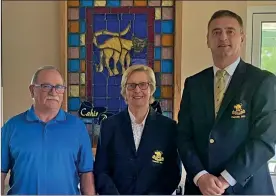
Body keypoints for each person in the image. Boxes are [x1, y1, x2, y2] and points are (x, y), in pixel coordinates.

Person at [177, 10, 276, 195]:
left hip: (247, 189)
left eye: (230, 31)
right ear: (208, 40)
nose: (223, 37)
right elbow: (183, 136)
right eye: (216, 32)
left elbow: (265, 139)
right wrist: (200, 176)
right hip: (200, 189)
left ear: (242, 37)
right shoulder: (194, 83)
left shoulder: (262, 81)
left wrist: (225, 180)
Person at [1, 66, 95, 195]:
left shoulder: (77, 127)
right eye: (46, 86)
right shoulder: (11, 127)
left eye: (59, 87)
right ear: (32, 90)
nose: (54, 92)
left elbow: (86, 173)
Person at [94, 65, 181, 194]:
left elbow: (173, 173)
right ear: (124, 90)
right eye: (131, 85)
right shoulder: (109, 126)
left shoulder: (169, 128)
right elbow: (101, 171)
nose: (137, 90)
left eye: (143, 84)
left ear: (151, 89)